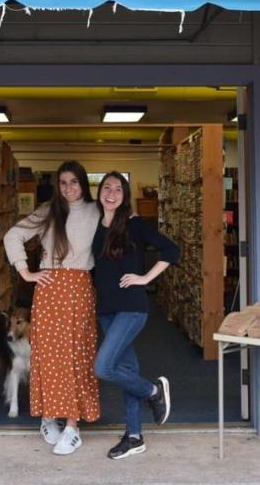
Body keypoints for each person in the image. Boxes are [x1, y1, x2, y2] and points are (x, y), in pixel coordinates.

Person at [3, 160, 101, 455]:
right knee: (46, 354)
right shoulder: (48, 211)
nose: (68, 188)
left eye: (74, 182)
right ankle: (48, 416)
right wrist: (25, 271)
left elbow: (125, 228)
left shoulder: (97, 211)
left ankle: (73, 425)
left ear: (83, 183)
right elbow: (12, 235)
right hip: (48, 288)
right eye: (63, 183)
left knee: (76, 353)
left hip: (80, 287)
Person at [92, 171, 179, 459]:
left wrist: (144, 278)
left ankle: (153, 391)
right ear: (99, 191)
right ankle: (134, 436)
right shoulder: (95, 224)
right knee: (126, 370)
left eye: (118, 188)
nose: (111, 193)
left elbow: (171, 250)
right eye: (107, 187)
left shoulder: (135, 225)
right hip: (106, 310)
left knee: (103, 367)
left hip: (131, 308)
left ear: (125, 195)